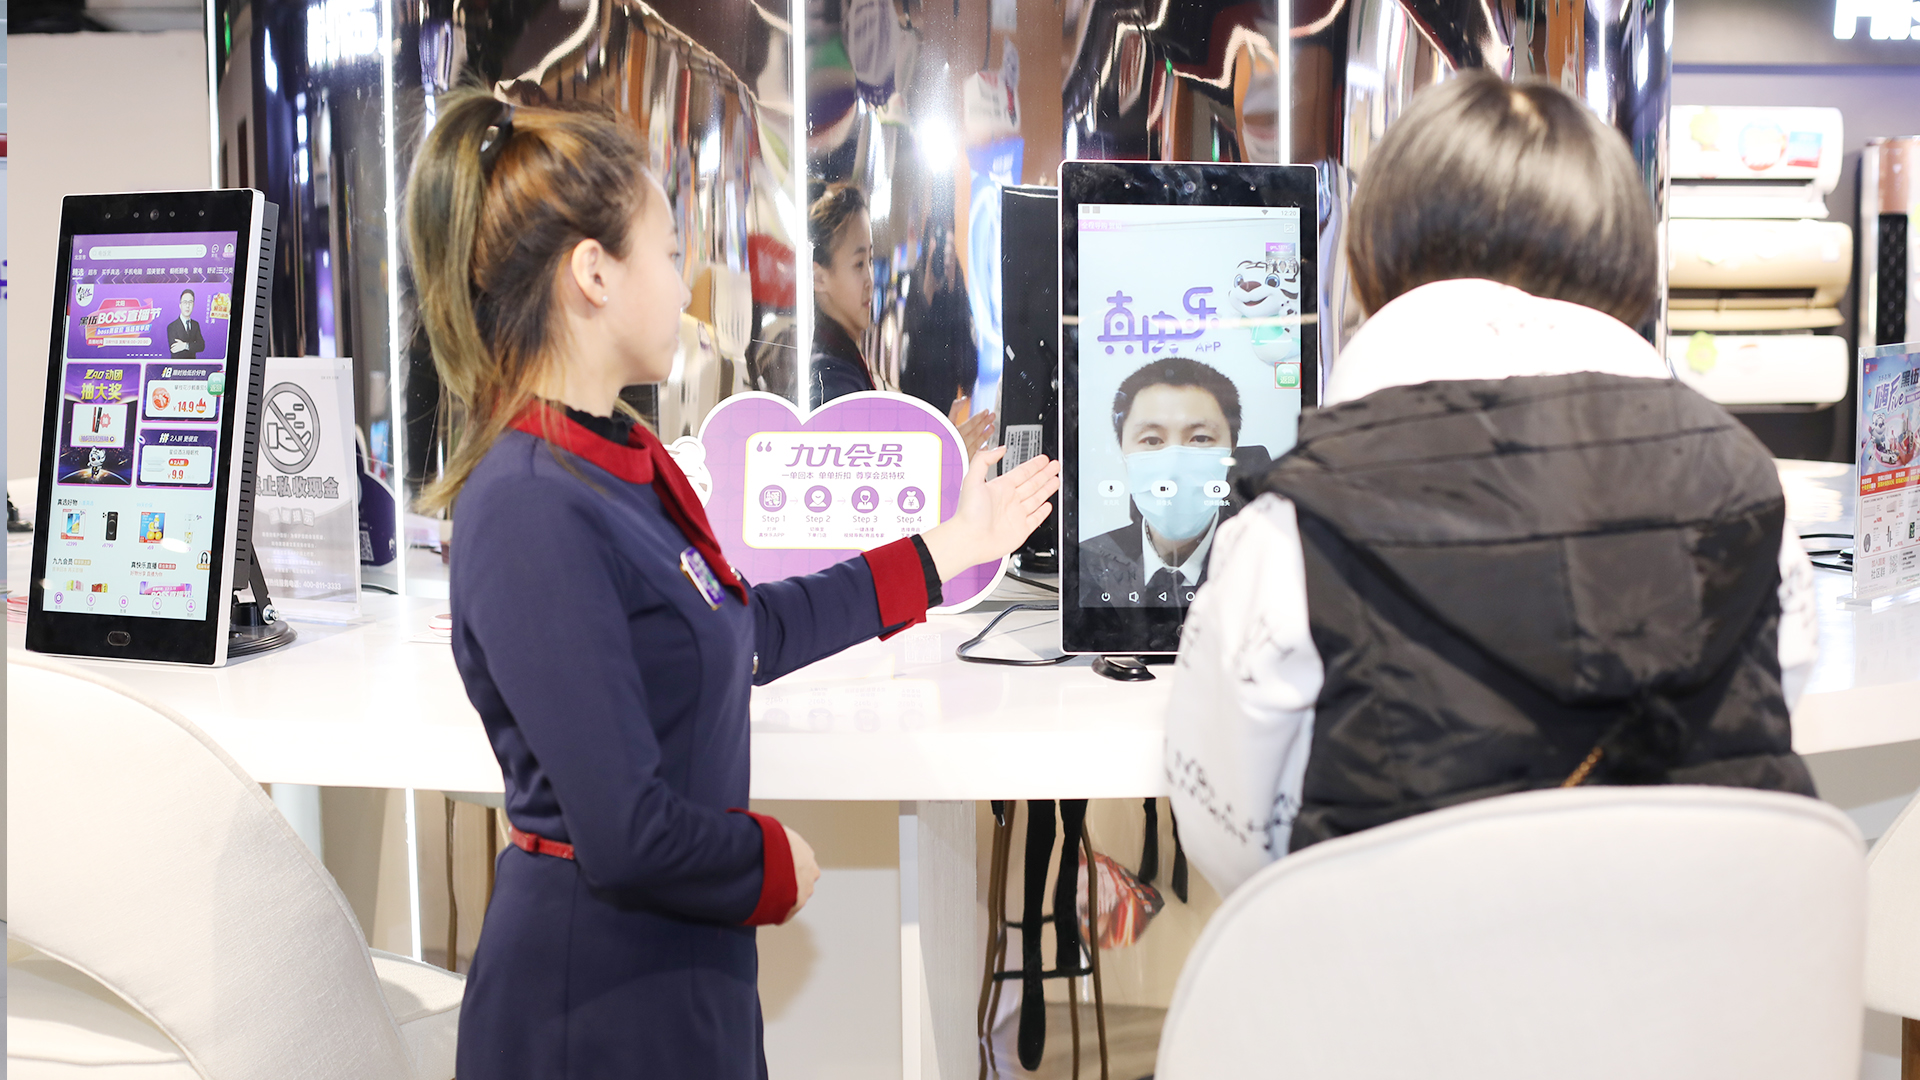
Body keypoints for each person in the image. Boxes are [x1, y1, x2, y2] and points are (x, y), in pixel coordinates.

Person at [405, 88, 1059, 1079]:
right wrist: (767, 862)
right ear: (593, 273)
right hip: (593, 1012)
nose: (687, 289)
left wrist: (948, 547)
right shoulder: (529, 503)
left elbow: (747, 629)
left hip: (686, 980)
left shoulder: (623, 456)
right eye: (670, 256)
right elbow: (626, 831)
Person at [1164, 71, 1820, 897]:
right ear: (1624, 256)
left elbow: (1229, 837)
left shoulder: (1296, 519)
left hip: (1396, 972)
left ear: (1375, 255)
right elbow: (1767, 725)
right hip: (1705, 966)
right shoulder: (1750, 489)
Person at [810, 184, 994, 451]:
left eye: (870, 260)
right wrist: (945, 457)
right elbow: (867, 469)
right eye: (859, 264)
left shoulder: (842, 359)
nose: (870, 279)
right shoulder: (830, 377)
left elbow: (968, 367)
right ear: (819, 277)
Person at [1080, 357, 1250, 607]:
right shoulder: (1088, 562)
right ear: (1123, 450)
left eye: (1200, 438)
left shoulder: (1269, 561)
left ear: (1231, 447)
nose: (1173, 468)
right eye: (1152, 440)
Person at [899, 225, 977, 415]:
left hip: (946, 403)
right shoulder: (918, 283)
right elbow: (905, 371)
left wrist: (954, 295)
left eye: (949, 253)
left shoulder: (957, 293)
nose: (943, 262)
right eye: (938, 255)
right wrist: (925, 297)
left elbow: (969, 373)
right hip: (916, 402)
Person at [166, 289, 204, 357]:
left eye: (190, 302)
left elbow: (201, 346)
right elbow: (174, 349)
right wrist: (192, 346)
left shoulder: (195, 325)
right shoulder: (172, 326)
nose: (187, 306)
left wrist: (185, 346)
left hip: (193, 363)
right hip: (177, 363)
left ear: (193, 305)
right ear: (180, 305)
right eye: (185, 302)